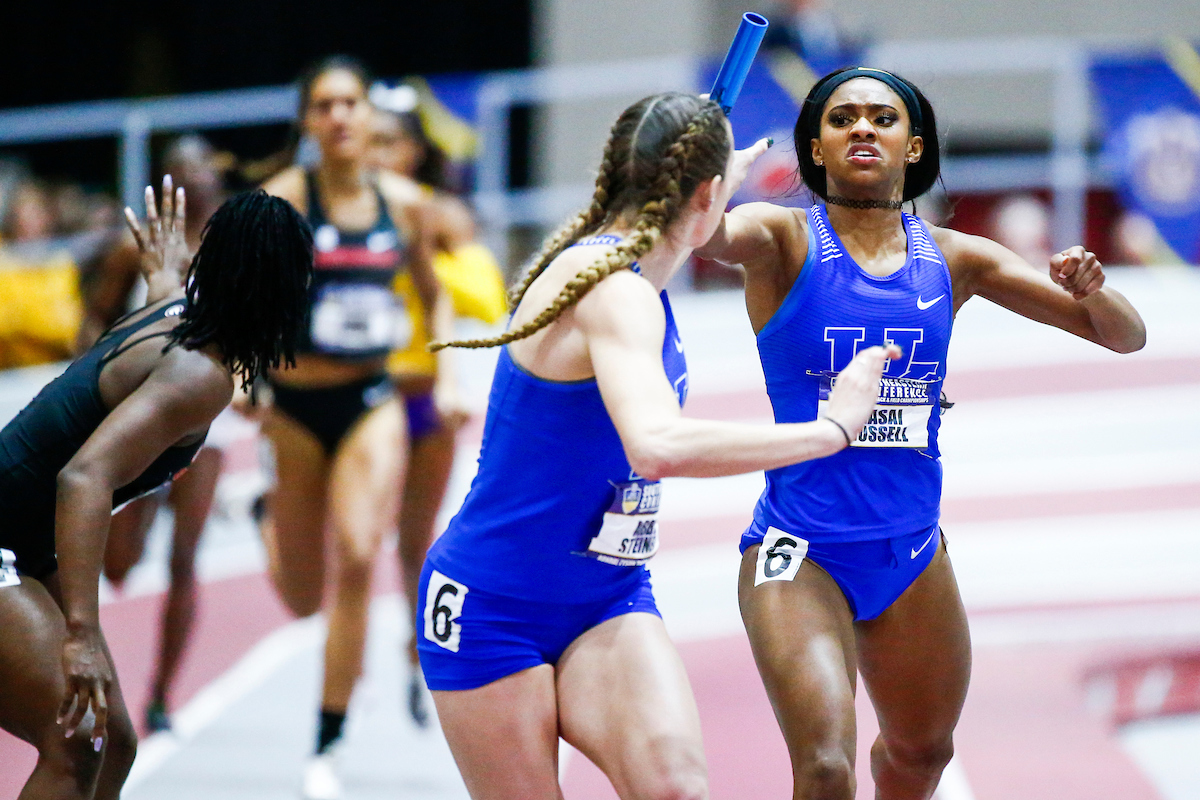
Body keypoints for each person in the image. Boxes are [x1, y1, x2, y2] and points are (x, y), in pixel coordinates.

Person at [420, 91, 898, 800]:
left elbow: (676, 234)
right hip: (492, 607)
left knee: (675, 788)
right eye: (723, 194)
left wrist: (711, 171)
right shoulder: (616, 291)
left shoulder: (629, 271)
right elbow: (655, 445)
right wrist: (829, 431)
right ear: (704, 195)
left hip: (607, 597)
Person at [696, 66, 1147, 799]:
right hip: (798, 550)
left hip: (910, 551)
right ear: (815, 149)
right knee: (825, 766)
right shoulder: (782, 239)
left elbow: (1124, 337)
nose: (864, 128)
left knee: (921, 755)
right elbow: (709, 234)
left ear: (914, 147)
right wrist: (701, 175)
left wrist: (1095, 290)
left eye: (883, 117)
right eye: (843, 120)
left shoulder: (955, 258)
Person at [0, 180, 313, 800]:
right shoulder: (203, 375)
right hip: (5, 543)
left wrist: (163, 275)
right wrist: (81, 633)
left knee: (112, 741)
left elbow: (166, 320)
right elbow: (84, 477)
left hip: (23, 540)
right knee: (72, 740)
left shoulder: (178, 316)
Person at [259, 56, 447, 799]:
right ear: (308, 120)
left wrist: (448, 372)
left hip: (371, 397)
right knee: (303, 596)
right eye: (324, 106)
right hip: (292, 408)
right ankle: (268, 520)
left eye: (351, 104)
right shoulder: (280, 203)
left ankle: (327, 736)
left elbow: (432, 297)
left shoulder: (404, 204)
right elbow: (241, 304)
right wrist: (246, 376)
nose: (339, 117)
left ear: (369, 116)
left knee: (362, 551)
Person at [367, 88, 507, 725]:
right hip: (360, 397)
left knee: (415, 537)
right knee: (359, 535)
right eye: (367, 142)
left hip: (424, 396)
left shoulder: (439, 214)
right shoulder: (327, 208)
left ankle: (412, 644)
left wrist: (420, 260)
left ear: (414, 150)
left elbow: (486, 297)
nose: (373, 155)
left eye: (386, 143)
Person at [101, 135, 248, 734]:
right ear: (165, 180)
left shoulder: (233, 251)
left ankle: (161, 696)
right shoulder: (132, 244)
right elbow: (94, 312)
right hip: (139, 416)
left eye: (205, 169)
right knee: (118, 564)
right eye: (183, 171)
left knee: (185, 558)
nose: (198, 179)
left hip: (208, 424)